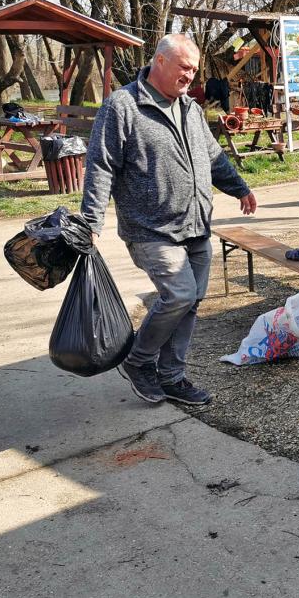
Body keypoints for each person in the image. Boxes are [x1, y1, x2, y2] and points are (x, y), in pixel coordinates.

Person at [81, 34, 257, 406]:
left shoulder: (191, 109)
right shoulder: (123, 106)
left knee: (191, 302)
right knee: (179, 295)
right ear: (160, 61)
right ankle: (139, 360)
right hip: (151, 229)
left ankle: (172, 376)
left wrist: (239, 188)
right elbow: (100, 165)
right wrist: (91, 221)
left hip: (196, 225)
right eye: (184, 67)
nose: (190, 75)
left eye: (194, 69)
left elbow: (213, 158)